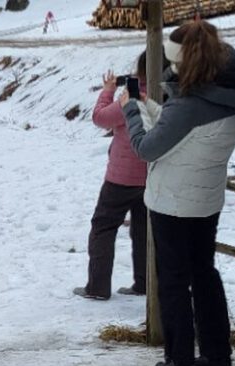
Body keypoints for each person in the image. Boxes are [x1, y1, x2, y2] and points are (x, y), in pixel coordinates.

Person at [121, 19, 235, 366]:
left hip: (173, 202)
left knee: (174, 278)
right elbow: (184, 133)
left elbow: (147, 148)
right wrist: (152, 106)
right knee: (204, 273)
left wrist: (132, 109)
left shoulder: (190, 106)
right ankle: (217, 354)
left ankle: (178, 360)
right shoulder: (231, 92)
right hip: (207, 198)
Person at [74, 52, 150, 302]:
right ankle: (144, 282)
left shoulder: (132, 95)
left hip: (121, 177)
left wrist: (107, 91)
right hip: (152, 175)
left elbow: (100, 117)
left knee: (103, 227)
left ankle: (97, 286)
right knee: (143, 230)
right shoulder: (168, 94)